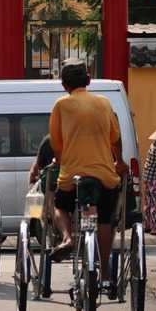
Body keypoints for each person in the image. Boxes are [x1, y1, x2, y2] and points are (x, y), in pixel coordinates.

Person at [49, 60, 124, 282]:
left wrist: (60, 163)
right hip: (104, 176)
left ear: (64, 85)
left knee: (60, 206)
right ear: (88, 80)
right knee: (104, 221)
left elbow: (56, 144)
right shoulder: (104, 103)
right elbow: (115, 139)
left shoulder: (61, 105)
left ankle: (67, 238)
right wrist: (119, 162)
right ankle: (105, 271)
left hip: (72, 176)